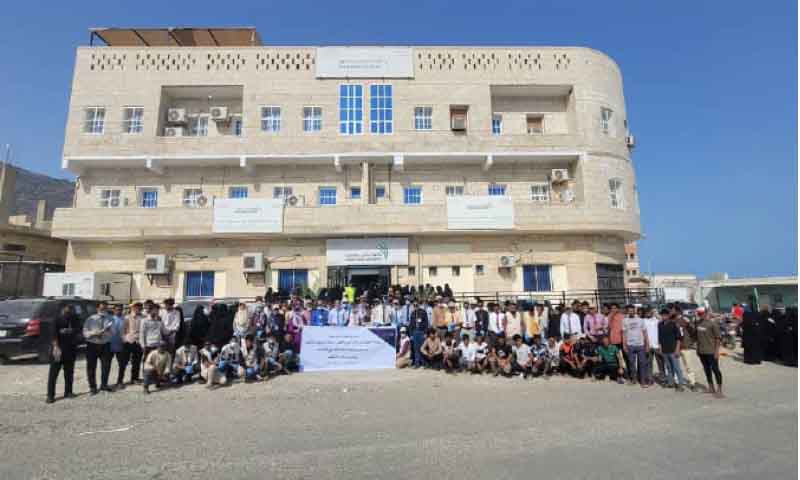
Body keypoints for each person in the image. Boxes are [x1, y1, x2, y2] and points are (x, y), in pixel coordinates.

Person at [46, 305, 81, 403]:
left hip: (70, 349)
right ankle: (50, 395)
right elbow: (53, 334)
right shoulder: (57, 319)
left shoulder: (74, 319)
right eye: (67, 309)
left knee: (69, 372)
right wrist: (56, 347)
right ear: (62, 309)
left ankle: (68, 391)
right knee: (54, 373)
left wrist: (72, 331)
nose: (69, 311)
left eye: (71, 309)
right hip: (58, 349)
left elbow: (78, 330)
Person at [83, 302, 114, 394]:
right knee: (91, 367)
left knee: (106, 366)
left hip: (105, 344)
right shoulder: (90, 319)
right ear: (97, 309)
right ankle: (93, 387)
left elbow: (113, 333)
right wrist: (94, 333)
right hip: (92, 344)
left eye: (105, 308)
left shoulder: (110, 319)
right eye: (101, 308)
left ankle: (104, 385)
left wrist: (107, 332)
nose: (103, 310)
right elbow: (85, 333)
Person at [695, 309, 724, 398]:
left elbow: (718, 338)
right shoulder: (698, 323)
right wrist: (697, 349)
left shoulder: (712, 324)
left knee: (715, 369)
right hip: (702, 351)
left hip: (711, 351)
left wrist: (716, 351)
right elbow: (697, 337)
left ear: (706, 313)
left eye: (702, 313)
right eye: (699, 314)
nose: (700, 315)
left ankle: (719, 389)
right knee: (706, 369)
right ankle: (711, 387)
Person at [657, 308, 685, 390]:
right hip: (664, 350)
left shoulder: (673, 324)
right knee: (669, 368)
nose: (663, 316)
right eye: (662, 315)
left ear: (668, 315)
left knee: (677, 368)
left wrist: (677, 349)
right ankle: (671, 383)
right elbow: (660, 338)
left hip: (673, 350)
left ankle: (680, 384)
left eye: (665, 315)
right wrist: (660, 348)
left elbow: (678, 338)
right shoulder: (660, 325)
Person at [622, 305, 649, 387]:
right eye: (629, 311)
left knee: (642, 363)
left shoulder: (640, 320)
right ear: (627, 311)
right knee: (631, 363)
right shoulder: (624, 321)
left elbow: (645, 332)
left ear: (635, 311)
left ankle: (643, 381)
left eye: (632, 310)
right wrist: (624, 345)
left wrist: (647, 344)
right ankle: (634, 379)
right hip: (630, 345)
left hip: (640, 345)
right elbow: (624, 334)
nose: (631, 312)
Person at [122, 302, 145, 384]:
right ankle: (120, 380)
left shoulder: (143, 317)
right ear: (132, 308)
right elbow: (123, 330)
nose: (138, 308)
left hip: (139, 341)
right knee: (124, 361)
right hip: (129, 341)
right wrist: (124, 339)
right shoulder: (127, 317)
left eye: (140, 306)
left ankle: (134, 378)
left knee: (137, 361)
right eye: (136, 306)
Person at [109, 304, 127, 389]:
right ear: (114, 310)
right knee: (107, 366)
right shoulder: (110, 319)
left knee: (122, 365)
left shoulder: (125, 319)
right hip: (110, 345)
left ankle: (120, 381)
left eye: (120, 309)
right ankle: (105, 384)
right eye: (117, 309)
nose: (119, 311)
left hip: (121, 345)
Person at [643, 307, 663, 384]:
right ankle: (650, 379)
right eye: (647, 312)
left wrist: (655, 312)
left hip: (657, 345)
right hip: (648, 346)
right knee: (649, 364)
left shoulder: (656, 320)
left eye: (650, 312)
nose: (648, 313)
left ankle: (662, 378)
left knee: (661, 363)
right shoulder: (643, 321)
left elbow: (662, 319)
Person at [410, 300, 429, 368]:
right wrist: (411, 334)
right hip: (415, 332)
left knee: (422, 348)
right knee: (416, 348)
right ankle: (417, 363)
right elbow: (411, 325)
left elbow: (426, 323)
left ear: (419, 305)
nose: (415, 306)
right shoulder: (412, 313)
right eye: (414, 305)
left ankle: (424, 363)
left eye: (416, 305)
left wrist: (425, 333)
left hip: (422, 332)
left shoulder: (423, 312)